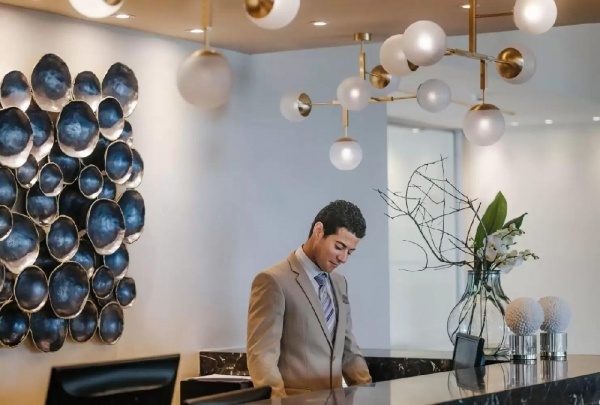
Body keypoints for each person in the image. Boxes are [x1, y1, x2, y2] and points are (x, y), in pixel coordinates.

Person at [246, 200, 372, 398]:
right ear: (318, 231)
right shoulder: (273, 281)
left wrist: (371, 395)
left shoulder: (340, 283)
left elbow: (348, 349)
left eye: (350, 252)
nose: (343, 258)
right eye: (339, 247)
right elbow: (262, 357)